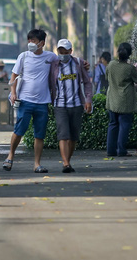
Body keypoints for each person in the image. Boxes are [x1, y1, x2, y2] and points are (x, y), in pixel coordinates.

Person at [3, 29, 57, 173]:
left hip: (43, 102)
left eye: (33, 41)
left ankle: (37, 164)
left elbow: (66, 61)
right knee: (19, 130)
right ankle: (10, 156)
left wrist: (83, 65)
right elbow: (13, 77)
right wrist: (13, 93)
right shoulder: (24, 56)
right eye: (29, 41)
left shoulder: (51, 57)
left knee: (39, 134)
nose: (30, 44)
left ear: (42, 43)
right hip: (25, 101)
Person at [50, 39, 93, 173]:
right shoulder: (53, 65)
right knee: (63, 135)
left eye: (65, 51)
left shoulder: (78, 63)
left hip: (76, 104)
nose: (63, 54)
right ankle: (66, 163)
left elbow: (87, 82)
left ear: (71, 51)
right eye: (60, 51)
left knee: (73, 136)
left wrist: (88, 100)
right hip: (60, 104)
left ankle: (67, 160)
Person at [105, 42, 137, 157]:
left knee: (113, 124)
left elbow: (107, 77)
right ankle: (121, 150)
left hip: (112, 100)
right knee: (124, 125)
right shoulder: (130, 68)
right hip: (125, 101)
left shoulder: (111, 65)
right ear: (129, 54)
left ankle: (110, 150)